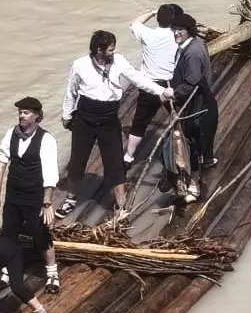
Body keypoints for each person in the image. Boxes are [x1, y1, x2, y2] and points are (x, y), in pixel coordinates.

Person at [58, 29, 172, 224]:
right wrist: (66, 115)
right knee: (77, 163)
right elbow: (71, 91)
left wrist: (161, 90)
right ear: (99, 50)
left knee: (116, 164)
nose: (113, 52)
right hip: (84, 118)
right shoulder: (80, 65)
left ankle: (121, 205)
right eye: (110, 49)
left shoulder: (119, 61)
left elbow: (138, 79)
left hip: (109, 119)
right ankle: (71, 199)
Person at [0, 96, 62, 295]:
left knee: (41, 234)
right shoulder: (10, 134)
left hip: (35, 196)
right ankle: (8, 269)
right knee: (9, 232)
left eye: (26, 112)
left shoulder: (46, 139)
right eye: (20, 112)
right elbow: (1, 165)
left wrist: (47, 204)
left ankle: (52, 273)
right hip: (14, 194)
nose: (22, 115)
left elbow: (50, 174)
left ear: (37, 116)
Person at [169, 11, 221, 202]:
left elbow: (190, 84)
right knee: (204, 145)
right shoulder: (197, 43)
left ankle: (194, 188)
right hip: (205, 101)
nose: (176, 33)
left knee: (191, 145)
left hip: (196, 105)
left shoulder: (191, 53)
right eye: (174, 29)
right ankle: (208, 161)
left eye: (180, 30)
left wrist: (171, 93)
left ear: (189, 30)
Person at [123, 3, 183, 165]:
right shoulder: (177, 36)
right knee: (179, 117)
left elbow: (134, 23)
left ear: (158, 19)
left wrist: (151, 12)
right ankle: (182, 150)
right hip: (170, 85)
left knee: (139, 123)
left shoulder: (147, 34)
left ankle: (128, 156)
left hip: (148, 85)